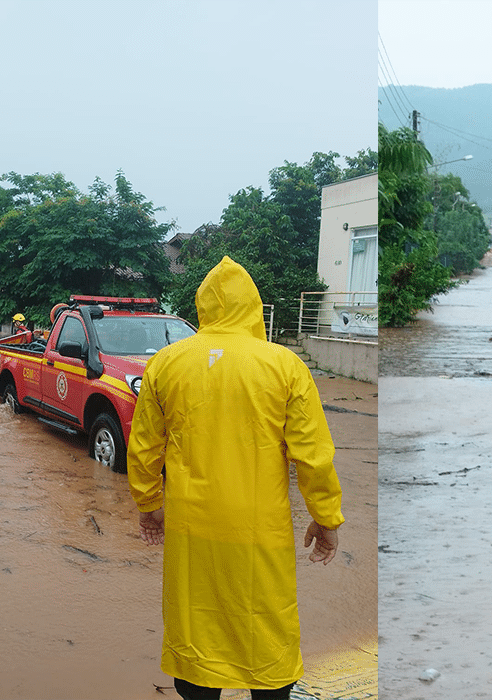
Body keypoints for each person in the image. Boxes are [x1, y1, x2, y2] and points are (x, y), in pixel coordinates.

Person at [126, 256, 344, 700]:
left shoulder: (166, 364)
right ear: (253, 307)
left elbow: (144, 448)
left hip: (192, 528)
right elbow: (313, 456)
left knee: (195, 626)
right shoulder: (284, 366)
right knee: (266, 629)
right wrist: (326, 518)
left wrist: (149, 506)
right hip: (259, 531)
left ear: (203, 307)